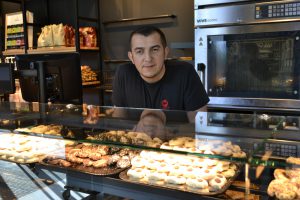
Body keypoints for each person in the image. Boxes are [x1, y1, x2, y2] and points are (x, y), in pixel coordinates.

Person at [112, 26, 209, 117]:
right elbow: (117, 123)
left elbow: (199, 124)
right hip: (135, 135)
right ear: (131, 57)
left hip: (177, 135)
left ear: (165, 53)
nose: (148, 58)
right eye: (139, 51)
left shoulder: (185, 72)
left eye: (154, 50)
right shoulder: (124, 74)